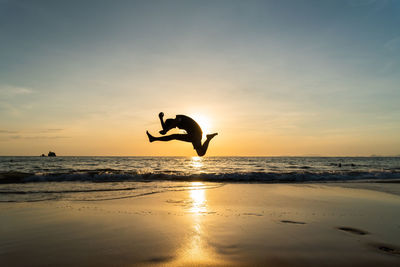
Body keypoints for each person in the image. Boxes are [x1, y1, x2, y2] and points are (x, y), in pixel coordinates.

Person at [146, 112, 218, 156]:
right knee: (200, 153)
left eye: (171, 126)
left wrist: (167, 130)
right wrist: (161, 119)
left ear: (171, 122)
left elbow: (172, 124)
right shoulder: (175, 123)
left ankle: (154, 139)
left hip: (196, 134)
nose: (173, 128)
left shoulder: (178, 118)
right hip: (196, 134)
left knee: (174, 136)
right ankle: (208, 138)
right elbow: (165, 129)